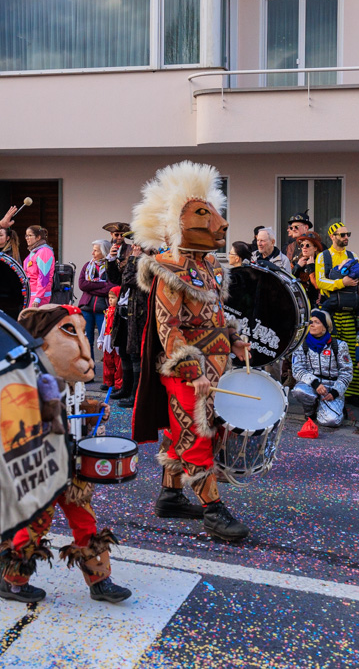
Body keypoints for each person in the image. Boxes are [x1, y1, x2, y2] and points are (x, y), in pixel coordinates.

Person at [131, 161, 251, 543]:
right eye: (203, 214)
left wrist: (232, 337)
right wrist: (192, 372)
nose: (219, 222)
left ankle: (169, 495)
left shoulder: (211, 267)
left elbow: (216, 314)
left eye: (212, 212)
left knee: (183, 430)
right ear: (180, 223)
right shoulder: (168, 270)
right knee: (198, 434)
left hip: (214, 364)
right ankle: (213, 511)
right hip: (187, 370)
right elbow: (170, 331)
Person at [0, 304, 131, 604]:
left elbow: (75, 405)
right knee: (35, 523)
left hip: (72, 464)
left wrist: (94, 409)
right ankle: (13, 580)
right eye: (71, 333)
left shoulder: (70, 381)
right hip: (40, 469)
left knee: (85, 521)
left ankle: (100, 581)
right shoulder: (23, 381)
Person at [316, 221, 359, 404]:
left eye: (348, 234)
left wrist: (357, 269)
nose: (346, 238)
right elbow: (321, 282)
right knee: (331, 354)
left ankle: (353, 395)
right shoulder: (323, 257)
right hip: (331, 315)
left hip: (351, 314)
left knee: (353, 355)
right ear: (332, 237)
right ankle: (331, 391)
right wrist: (341, 282)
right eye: (342, 235)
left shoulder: (353, 255)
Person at [289, 309, 354, 428]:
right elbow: (297, 370)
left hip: (331, 387)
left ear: (325, 326)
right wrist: (315, 383)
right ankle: (310, 411)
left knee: (331, 421)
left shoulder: (339, 345)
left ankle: (331, 407)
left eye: (316, 322)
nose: (312, 325)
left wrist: (335, 392)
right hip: (312, 385)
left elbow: (347, 372)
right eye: (310, 322)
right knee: (299, 391)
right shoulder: (302, 344)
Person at [115, 242, 150, 408]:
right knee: (125, 351)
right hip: (127, 313)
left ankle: (135, 395)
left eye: (137, 246)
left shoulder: (147, 263)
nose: (133, 248)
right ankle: (126, 389)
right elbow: (116, 278)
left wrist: (134, 260)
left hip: (139, 315)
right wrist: (112, 259)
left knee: (136, 354)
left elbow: (129, 279)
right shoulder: (136, 262)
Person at [78, 240, 117, 358]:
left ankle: (107, 373)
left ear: (104, 252)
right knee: (86, 341)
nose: (92, 253)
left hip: (104, 309)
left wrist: (91, 287)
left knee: (106, 342)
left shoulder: (111, 267)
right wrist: (102, 284)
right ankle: (90, 372)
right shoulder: (87, 266)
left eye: (96, 250)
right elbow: (82, 285)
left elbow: (110, 288)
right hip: (86, 308)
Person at [97, 287, 123, 392]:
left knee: (118, 365)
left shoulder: (121, 311)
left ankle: (118, 384)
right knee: (108, 363)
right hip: (107, 340)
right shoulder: (107, 311)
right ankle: (108, 382)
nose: (110, 300)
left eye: (113, 297)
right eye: (109, 298)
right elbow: (104, 326)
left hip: (116, 341)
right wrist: (101, 340)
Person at [23, 225, 54, 308]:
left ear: (38, 237)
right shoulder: (33, 252)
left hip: (39, 296)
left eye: (30, 235)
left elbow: (44, 276)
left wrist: (38, 298)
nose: (27, 238)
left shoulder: (44, 252)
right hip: (30, 294)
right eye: (26, 235)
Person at [291, 230, 324, 308]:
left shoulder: (321, 263)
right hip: (299, 303)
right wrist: (297, 267)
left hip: (315, 304)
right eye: (302, 245)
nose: (304, 248)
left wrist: (311, 267)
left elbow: (318, 285)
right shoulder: (295, 262)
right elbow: (290, 282)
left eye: (307, 245)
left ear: (315, 248)